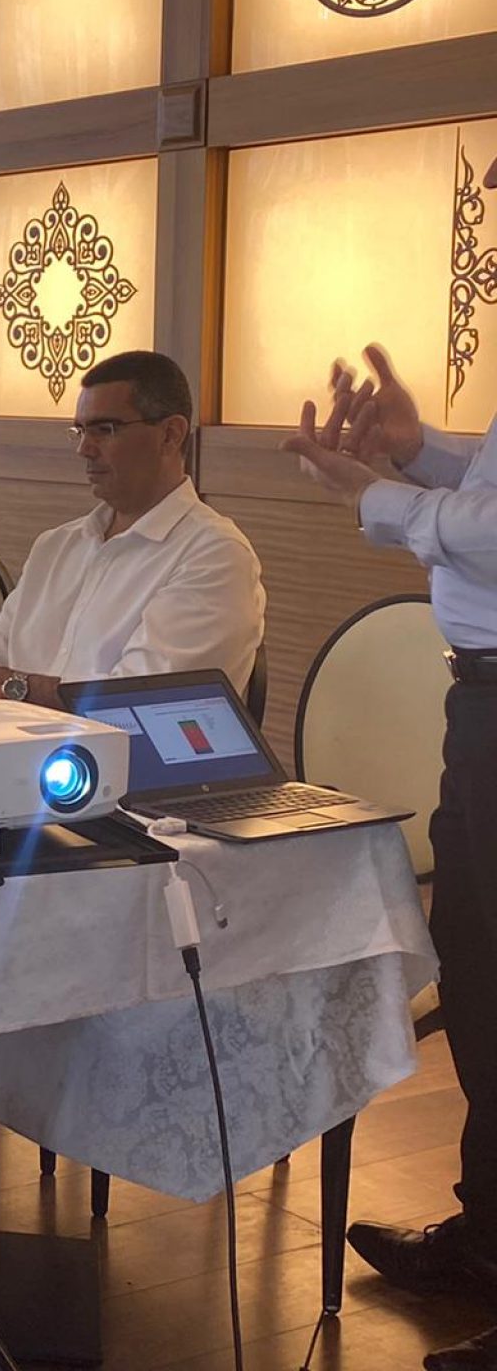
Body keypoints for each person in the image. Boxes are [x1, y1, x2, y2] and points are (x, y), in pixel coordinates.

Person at [284, 340, 497, 1370]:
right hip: (480, 702)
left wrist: (379, 495)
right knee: (478, 979)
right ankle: (488, 1237)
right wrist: (424, 454)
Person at [0, 352, 264, 708]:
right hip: (7, 738)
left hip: (121, 747)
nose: (84, 449)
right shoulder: (56, 546)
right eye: (80, 431)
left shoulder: (215, 554)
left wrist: (11, 686)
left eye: (105, 430)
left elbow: (144, 704)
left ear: (170, 435)